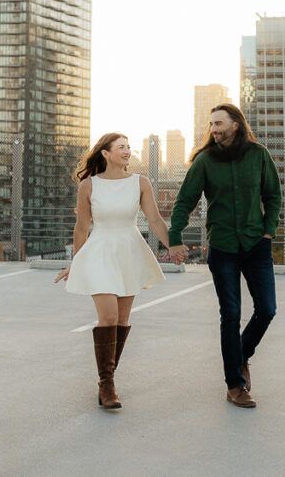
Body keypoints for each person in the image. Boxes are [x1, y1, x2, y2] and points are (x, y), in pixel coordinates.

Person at [169, 104, 281, 408]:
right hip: (222, 247)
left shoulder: (259, 155)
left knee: (267, 309)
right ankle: (235, 384)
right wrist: (174, 238)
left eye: (219, 123)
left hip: (256, 245)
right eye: (211, 124)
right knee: (230, 314)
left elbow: (273, 196)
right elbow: (185, 201)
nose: (214, 129)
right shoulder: (205, 160)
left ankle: (241, 355)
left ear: (236, 124)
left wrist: (268, 231)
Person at [54, 132, 177, 410]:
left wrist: (174, 246)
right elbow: (81, 227)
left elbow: (155, 220)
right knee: (108, 317)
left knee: (121, 320)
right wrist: (77, 262)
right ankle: (107, 383)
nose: (127, 151)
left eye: (128, 147)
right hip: (99, 252)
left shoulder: (140, 182)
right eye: (121, 147)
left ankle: (107, 381)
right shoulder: (89, 185)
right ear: (105, 153)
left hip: (129, 253)